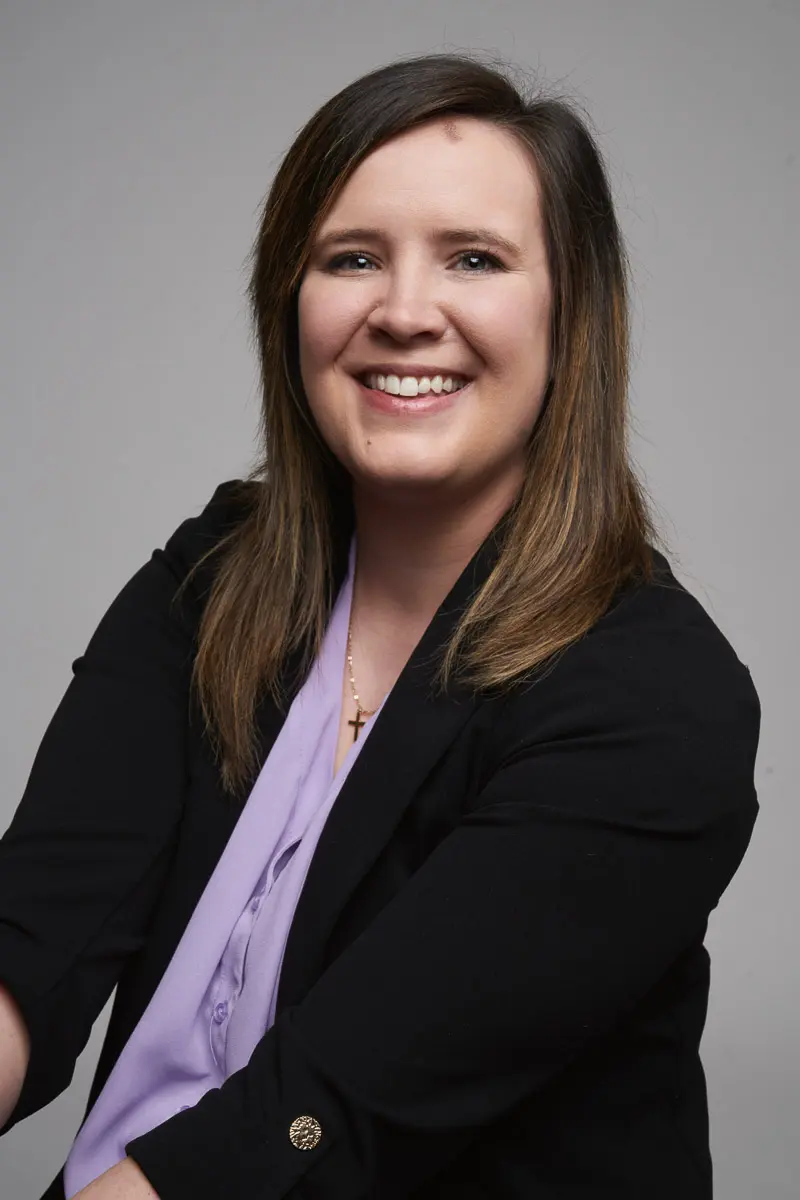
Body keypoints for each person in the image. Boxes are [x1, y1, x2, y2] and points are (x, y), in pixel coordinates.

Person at [0, 51, 760, 1200]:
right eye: (351, 258)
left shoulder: (657, 699)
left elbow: (322, 1117)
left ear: (572, 315)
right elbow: (33, 946)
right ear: (288, 305)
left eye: (473, 259)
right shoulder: (211, 577)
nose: (404, 313)